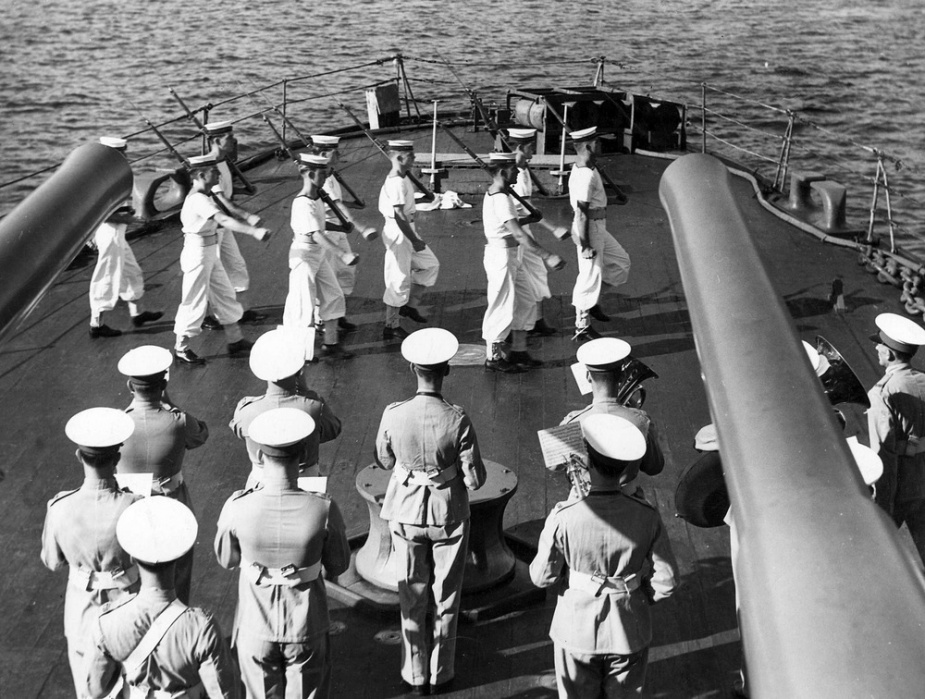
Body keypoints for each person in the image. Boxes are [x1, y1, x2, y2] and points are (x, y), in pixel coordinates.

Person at [530, 413, 678, 698]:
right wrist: (640, 594)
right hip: (629, 627)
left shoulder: (563, 517)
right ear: (626, 465)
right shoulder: (646, 515)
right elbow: (667, 582)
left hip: (575, 630)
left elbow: (541, 577)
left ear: (587, 460)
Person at [374, 328, 486, 694]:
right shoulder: (457, 418)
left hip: (405, 511)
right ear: (447, 371)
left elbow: (385, 459)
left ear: (412, 368)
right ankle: (442, 673)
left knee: (411, 594)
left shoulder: (394, 414)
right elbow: (474, 480)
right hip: (448, 513)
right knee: (447, 597)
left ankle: (415, 674)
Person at [215, 407, 350, 699]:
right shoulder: (323, 508)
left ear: (261, 457)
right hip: (306, 625)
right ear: (302, 456)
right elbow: (338, 565)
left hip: (254, 623)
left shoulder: (238, 506)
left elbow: (227, 560)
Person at [86, 497, 238, 699]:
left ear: (132, 557)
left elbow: (95, 690)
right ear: (179, 556)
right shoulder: (201, 628)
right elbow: (223, 694)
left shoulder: (106, 622)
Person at [41, 407, 141, 698]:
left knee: (88, 689)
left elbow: (52, 561)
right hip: (128, 605)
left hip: (82, 610)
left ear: (78, 456)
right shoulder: (135, 504)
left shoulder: (59, 507)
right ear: (117, 457)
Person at [117, 344, 209, 603]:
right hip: (171, 499)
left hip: (130, 505)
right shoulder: (178, 420)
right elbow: (200, 434)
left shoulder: (119, 423)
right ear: (163, 384)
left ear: (130, 386)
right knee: (177, 568)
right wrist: (169, 404)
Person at [173, 154, 270, 365]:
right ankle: (180, 348)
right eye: (213, 171)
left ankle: (235, 340)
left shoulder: (205, 195)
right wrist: (252, 231)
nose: (218, 174)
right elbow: (223, 219)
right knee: (194, 300)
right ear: (200, 175)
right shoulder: (198, 199)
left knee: (225, 293)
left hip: (209, 251)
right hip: (197, 254)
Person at [481, 152, 563, 373]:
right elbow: (518, 235)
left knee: (526, 300)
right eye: (513, 169)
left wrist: (529, 218)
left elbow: (508, 224)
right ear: (501, 172)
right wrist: (548, 256)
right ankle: (494, 357)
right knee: (501, 305)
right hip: (502, 257)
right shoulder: (500, 197)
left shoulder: (500, 194)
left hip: (510, 256)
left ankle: (519, 351)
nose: (517, 171)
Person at [230, 327, 342, 488]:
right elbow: (333, 430)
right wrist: (304, 391)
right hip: (306, 486)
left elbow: (240, 430)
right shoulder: (314, 407)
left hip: (260, 486)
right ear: (300, 369)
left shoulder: (246, 410)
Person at [560, 337, 664, 494]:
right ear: (622, 377)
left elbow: (554, 466)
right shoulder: (641, 420)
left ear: (588, 377)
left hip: (585, 499)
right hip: (629, 500)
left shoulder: (572, 421)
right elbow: (655, 467)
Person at [89, 136, 163, 338]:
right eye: (122, 154)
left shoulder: (113, 175)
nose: (126, 157)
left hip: (118, 231)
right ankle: (96, 324)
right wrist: (129, 220)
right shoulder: (100, 178)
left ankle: (137, 314)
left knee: (131, 271)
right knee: (107, 276)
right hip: (109, 232)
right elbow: (99, 213)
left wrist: (128, 215)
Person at [283, 153, 355, 359]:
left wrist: (341, 225)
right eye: (323, 174)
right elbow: (315, 234)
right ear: (311, 174)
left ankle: (330, 344)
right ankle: (296, 351)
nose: (326, 177)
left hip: (317, 253)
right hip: (304, 255)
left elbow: (319, 224)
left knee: (333, 294)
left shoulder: (317, 196)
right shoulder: (303, 202)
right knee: (302, 302)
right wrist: (342, 254)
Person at [867, 312, 925, 564]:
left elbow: (885, 454)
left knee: (877, 554)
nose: (877, 348)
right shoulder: (923, 380)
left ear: (889, 354)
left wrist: (881, 504)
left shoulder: (882, 393)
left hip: (901, 487)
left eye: (879, 345)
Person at [567, 126, 631, 342]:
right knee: (589, 275)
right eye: (598, 141)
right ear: (587, 146)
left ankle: (592, 302)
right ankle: (582, 326)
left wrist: (613, 201)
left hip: (596, 225)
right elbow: (582, 212)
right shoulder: (585, 174)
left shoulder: (587, 168)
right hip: (589, 228)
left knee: (621, 263)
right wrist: (585, 245)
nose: (601, 144)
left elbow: (592, 204)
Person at [202, 119, 265, 327]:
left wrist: (243, 190)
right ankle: (210, 316)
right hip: (212, 228)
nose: (234, 140)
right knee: (213, 273)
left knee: (237, 267)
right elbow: (221, 200)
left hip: (224, 227)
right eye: (229, 138)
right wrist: (247, 217)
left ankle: (240, 310)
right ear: (217, 141)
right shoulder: (209, 166)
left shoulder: (223, 162)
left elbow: (225, 192)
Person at [378, 140, 439, 341]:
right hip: (399, 232)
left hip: (407, 228)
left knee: (430, 265)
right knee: (399, 277)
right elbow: (398, 215)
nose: (413, 158)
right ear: (398, 157)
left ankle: (409, 307)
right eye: (410, 155)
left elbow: (404, 208)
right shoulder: (395, 181)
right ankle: (391, 325)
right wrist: (414, 240)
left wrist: (422, 200)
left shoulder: (403, 178)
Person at [507, 127, 557, 337]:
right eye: (530, 148)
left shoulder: (524, 171)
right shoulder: (508, 174)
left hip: (526, 229)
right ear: (519, 147)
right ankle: (509, 328)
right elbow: (511, 219)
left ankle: (536, 320)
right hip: (514, 234)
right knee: (514, 282)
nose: (533, 153)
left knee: (537, 272)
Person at [312, 134, 364, 332]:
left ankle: (338, 313)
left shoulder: (330, 174)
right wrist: (358, 225)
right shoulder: (323, 178)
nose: (340, 153)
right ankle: (321, 319)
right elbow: (336, 205)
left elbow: (336, 203)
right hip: (329, 231)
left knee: (345, 272)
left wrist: (353, 205)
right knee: (328, 276)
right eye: (336, 150)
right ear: (324, 154)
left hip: (339, 229)